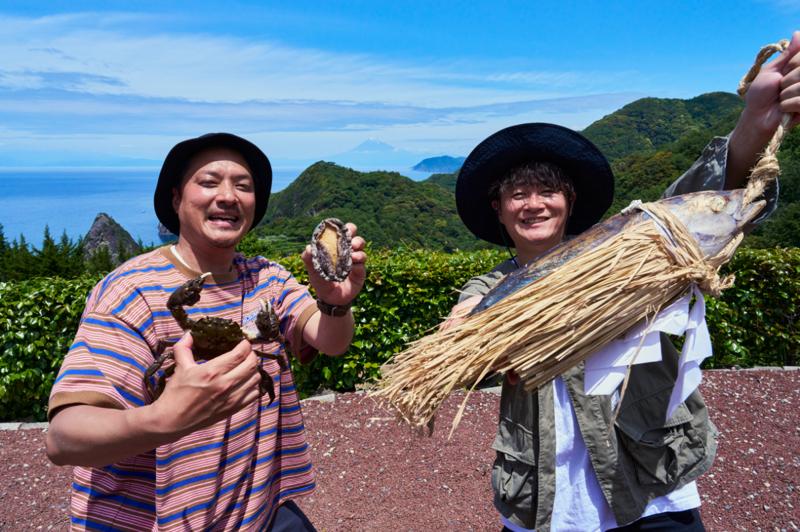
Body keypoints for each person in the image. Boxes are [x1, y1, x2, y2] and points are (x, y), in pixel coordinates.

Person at [447, 33, 800, 531]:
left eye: (548, 190)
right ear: (498, 211)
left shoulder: (624, 256)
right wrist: (462, 334)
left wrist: (755, 123)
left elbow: (695, 208)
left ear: (568, 201)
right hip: (546, 501)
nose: (533, 203)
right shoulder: (489, 288)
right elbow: (461, 351)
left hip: (652, 488)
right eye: (517, 194)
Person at [45, 132, 366, 531]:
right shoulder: (132, 291)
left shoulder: (267, 278)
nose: (228, 196)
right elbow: (63, 437)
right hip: (146, 521)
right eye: (209, 182)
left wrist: (335, 300)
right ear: (177, 199)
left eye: (243, 186)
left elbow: (332, 341)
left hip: (259, 512)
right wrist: (165, 418)